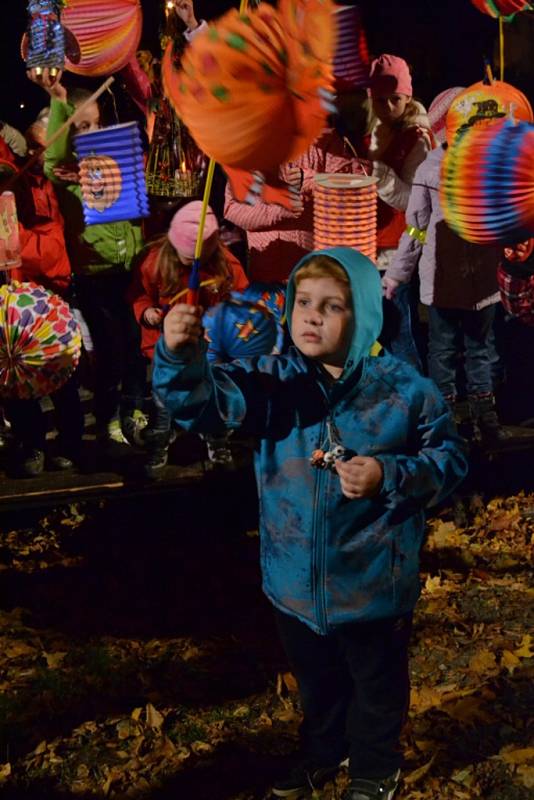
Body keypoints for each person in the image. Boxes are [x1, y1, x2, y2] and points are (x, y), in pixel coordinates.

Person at [152, 246, 468, 800]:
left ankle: (374, 767)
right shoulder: (273, 382)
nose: (311, 316)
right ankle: (324, 751)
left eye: (332, 306)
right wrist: (181, 360)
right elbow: (208, 407)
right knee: (318, 685)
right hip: (293, 585)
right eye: (302, 302)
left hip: (373, 586)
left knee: (375, 686)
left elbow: (449, 460)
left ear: (365, 314)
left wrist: (390, 474)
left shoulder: (405, 392)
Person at [27, 67, 148, 447]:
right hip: (94, 274)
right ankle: (108, 417)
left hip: (131, 269)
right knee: (109, 351)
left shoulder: (120, 163)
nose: (89, 135)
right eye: (80, 128)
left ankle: (133, 412)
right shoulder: (64, 169)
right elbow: (54, 156)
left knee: (134, 347)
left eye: (93, 126)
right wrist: (60, 102)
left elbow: (140, 200)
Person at [383, 87, 507, 445]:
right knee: (444, 349)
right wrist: (396, 274)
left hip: (482, 279)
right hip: (442, 280)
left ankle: (484, 414)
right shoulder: (431, 168)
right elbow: (416, 226)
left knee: (479, 347)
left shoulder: (492, 166)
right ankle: (447, 418)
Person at [128, 200, 248, 477]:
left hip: (209, 350)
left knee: (211, 398)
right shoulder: (155, 262)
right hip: (168, 350)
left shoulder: (227, 265)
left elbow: (240, 301)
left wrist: (221, 323)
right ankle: (158, 446)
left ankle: (217, 445)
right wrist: (147, 312)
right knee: (163, 403)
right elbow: (140, 295)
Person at [1, 118, 84, 475]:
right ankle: (32, 443)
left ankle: (68, 443)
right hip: (12, 294)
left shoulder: (51, 184)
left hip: (47, 295)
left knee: (60, 372)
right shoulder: (13, 187)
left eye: (43, 148)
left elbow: (52, 247)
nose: (38, 155)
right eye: (33, 148)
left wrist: (13, 237)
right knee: (13, 372)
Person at [362, 54, 434, 368]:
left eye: (396, 99)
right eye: (380, 100)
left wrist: (376, 172)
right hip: (366, 244)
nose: (389, 107)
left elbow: (411, 199)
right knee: (375, 333)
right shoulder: (371, 135)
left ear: (408, 97)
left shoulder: (417, 138)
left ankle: (418, 401)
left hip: (395, 251)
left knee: (399, 332)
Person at [224, 129, 362, 283]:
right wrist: (279, 210)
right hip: (268, 275)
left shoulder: (324, 139)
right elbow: (232, 209)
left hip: (318, 273)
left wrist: (310, 180)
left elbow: (351, 189)